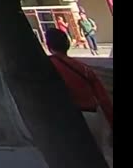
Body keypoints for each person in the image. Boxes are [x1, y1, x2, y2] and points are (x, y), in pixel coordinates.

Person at [44, 27, 113, 165]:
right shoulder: (84, 68)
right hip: (93, 117)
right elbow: (103, 99)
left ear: (48, 45)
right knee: (99, 156)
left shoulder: (46, 66)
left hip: (67, 119)